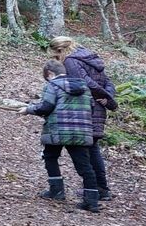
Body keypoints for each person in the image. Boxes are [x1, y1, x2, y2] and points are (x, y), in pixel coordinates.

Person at [16, 59, 100, 212]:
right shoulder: (84, 87)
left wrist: (28, 109)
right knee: (84, 165)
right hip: (81, 131)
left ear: (50, 74)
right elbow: (91, 109)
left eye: (46, 76)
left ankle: (57, 191)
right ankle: (92, 200)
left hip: (57, 130)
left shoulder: (53, 85)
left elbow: (46, 107)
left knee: (50, 156)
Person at [50, 36, 118, 200]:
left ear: (60, 49)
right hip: (97, 106)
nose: (56, 58)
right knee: (93, 148)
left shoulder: (71, 61)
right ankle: (101, 188)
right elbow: (107, 82)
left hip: (86, 108)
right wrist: (107, 98)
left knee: (88, 152)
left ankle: (96, 190)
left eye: (56, 54)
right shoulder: (90, 57)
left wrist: (108, 99)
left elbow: (84, 83)